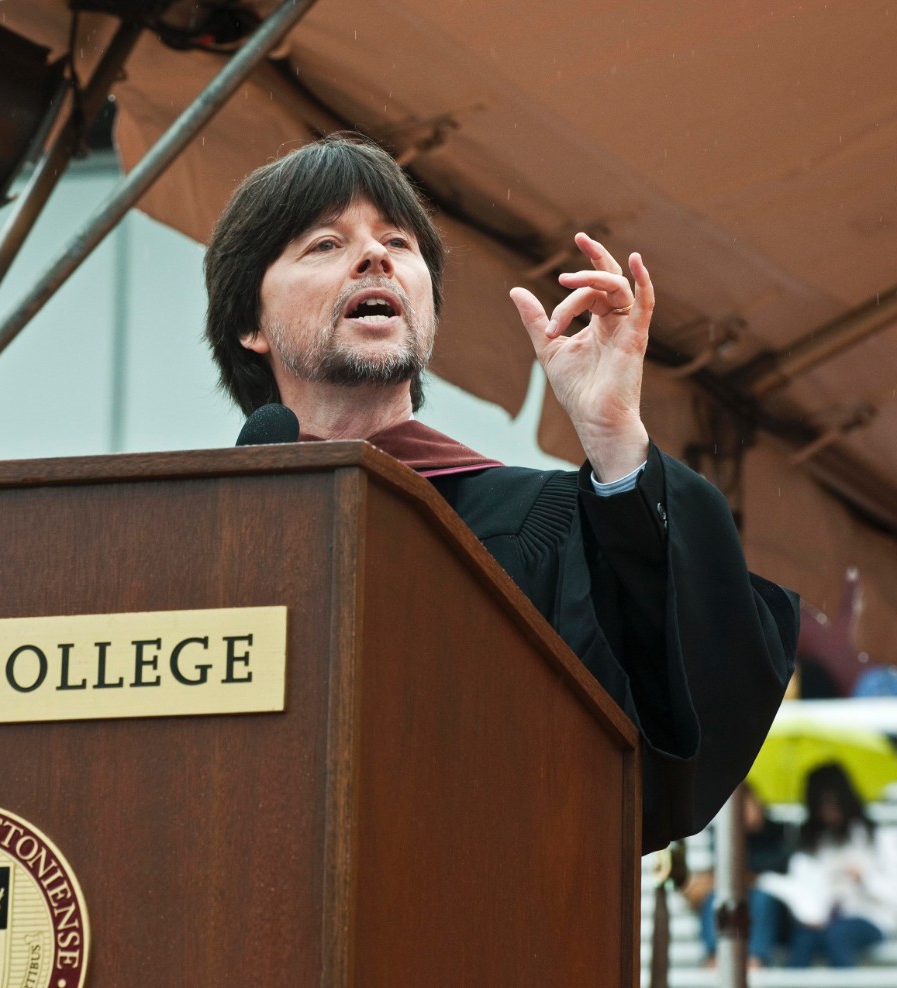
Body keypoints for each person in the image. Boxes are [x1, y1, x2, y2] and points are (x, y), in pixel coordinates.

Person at [204, 134, 798, 852]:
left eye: (398, 240)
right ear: (249, 325)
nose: (375, 256)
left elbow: (667, 747)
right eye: (325, 244)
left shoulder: (536, 526)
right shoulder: (193, 543)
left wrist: (612, 435)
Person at [760, 762, 897, 967]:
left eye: (832, 803)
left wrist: (865, 878)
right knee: (803, 939)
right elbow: (804, 893)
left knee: (838, 935)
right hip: (822, 920)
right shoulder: (812, 845)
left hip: (871, 918)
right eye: (821, 805)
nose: (828, 811)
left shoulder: (879, 839)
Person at [682, 783, 792, 967]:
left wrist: (746, 873)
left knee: (761, 899)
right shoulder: (724, 834)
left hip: (771, 901)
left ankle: (755, 958)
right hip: (738, 898)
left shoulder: (779, 831)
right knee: (719, 899)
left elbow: (779, 865)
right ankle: (716, 955)